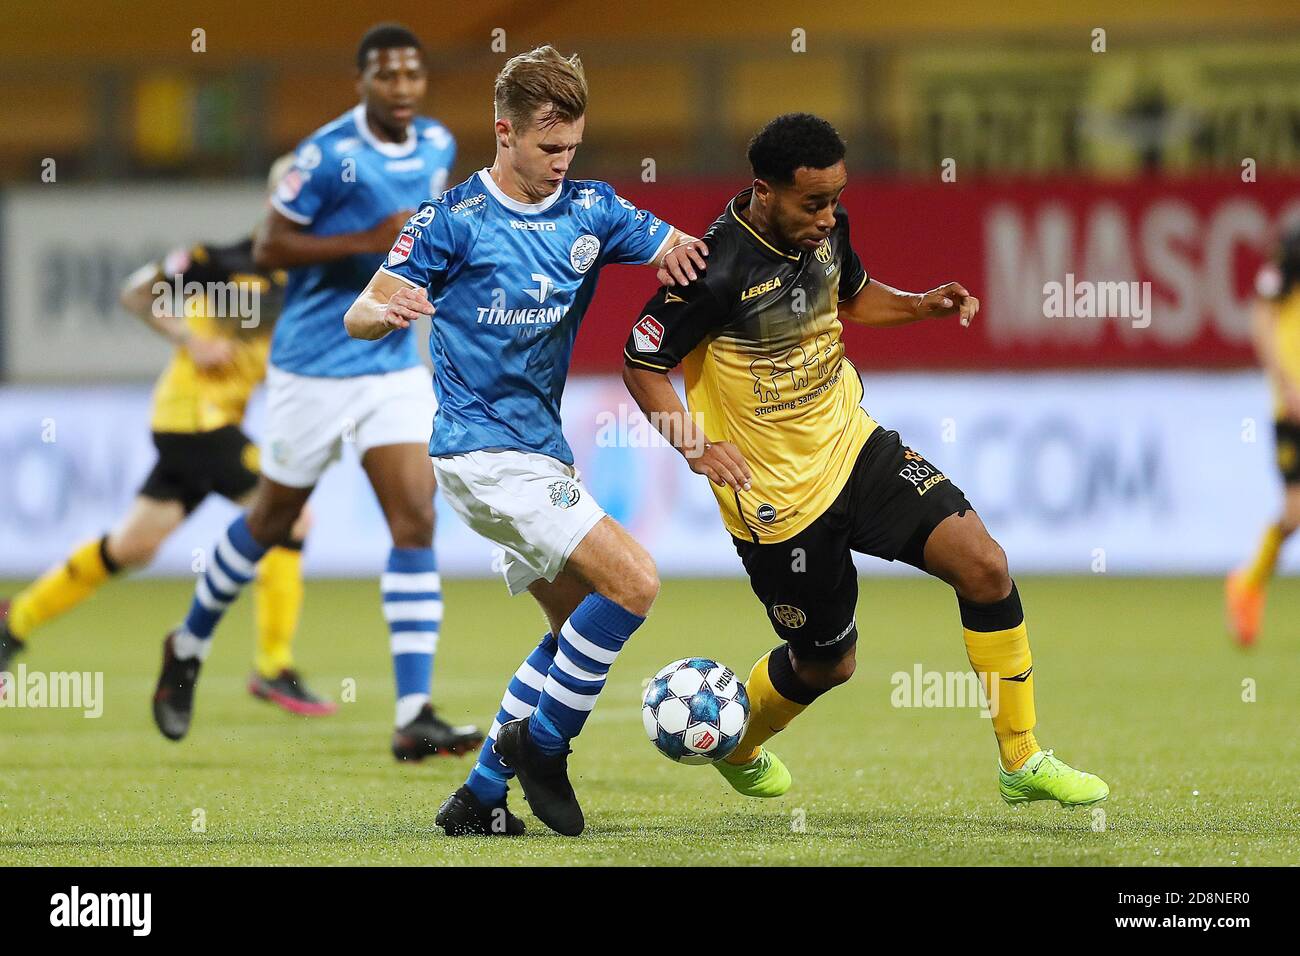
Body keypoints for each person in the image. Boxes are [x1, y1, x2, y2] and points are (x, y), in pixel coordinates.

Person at [623, 113, 1110, 809]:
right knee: (828, 663)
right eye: (812, 202)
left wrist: (919, 305)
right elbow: (641, 362)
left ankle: (1022, 758)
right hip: (777, 500)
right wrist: (694, 445)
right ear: (764, 192)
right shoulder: (713, 268)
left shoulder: (829, 229)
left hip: (855, 447)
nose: (828, 216)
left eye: (835, 199)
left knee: (985, 565)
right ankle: (738, 744)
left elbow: (850, 296)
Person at [344, 45, 708, 836]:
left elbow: (684, 249)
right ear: (503, 132)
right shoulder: (450, 222)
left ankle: (478, 796)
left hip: (537, 452)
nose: (561, 163)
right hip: (481, 449)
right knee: (636, 583)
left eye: (572, 147)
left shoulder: (591, 210)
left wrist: (718, 258)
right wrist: (390, 308)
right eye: (548, 149)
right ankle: (543, 748)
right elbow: (361, 312)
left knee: (572, 626)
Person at [150, 23, 480, 761]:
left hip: (391, 363)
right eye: (387, 76)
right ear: (362, 81)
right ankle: (188, 643)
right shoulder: (327, 155)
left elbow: (420, 237)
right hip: (311, 366)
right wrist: (371, 238)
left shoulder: (436, 146)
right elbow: (270, 248)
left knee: (415, 517)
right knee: (272, 519)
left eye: (412, 76)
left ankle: (414, 712)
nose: (402, 89)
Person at [1, 156, 331, 716]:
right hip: (192, 417)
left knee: (134, 545)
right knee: (291, 515)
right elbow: (136, 292)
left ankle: (16, 622)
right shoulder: (219, 261)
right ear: (275, 201)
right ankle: (274, 667)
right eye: (296, 197)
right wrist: (189, 338)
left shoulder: (304, 280)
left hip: (210, 425)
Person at [1226, 224, 1300, 647]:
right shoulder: (1284, 269)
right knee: (1293, 514)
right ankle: (1248, 584)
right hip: (1290, 413)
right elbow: (1260, 324)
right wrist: (1286, 385)